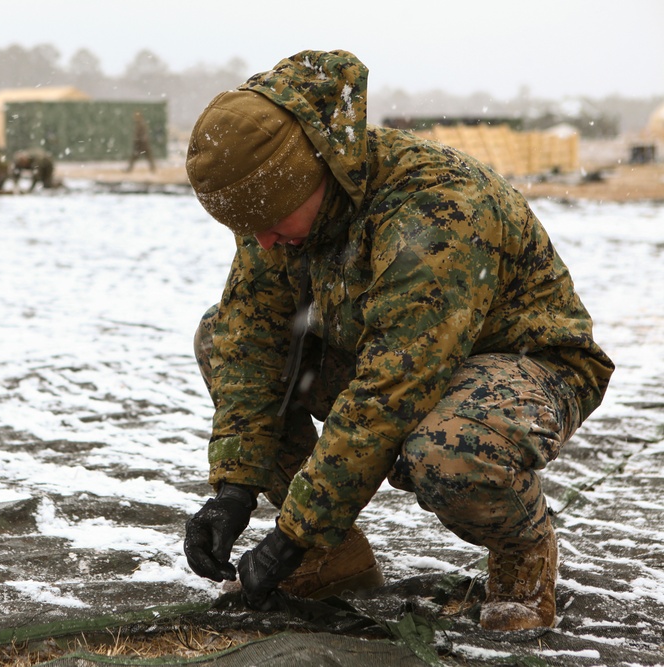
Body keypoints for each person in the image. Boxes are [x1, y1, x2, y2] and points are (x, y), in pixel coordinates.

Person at [182, 50, 614, 633]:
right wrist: (235, 486)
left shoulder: (433, 210)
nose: (262, 241)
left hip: (525, 364)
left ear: (317, 175)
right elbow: (251, 338)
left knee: (449, 448)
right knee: (221, 337)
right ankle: (333, 560)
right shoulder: (278, 220)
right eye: (246, 229)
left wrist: (291, 535)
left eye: (273, 220)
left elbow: (388, 394)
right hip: (388, 355)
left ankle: (521, 557)